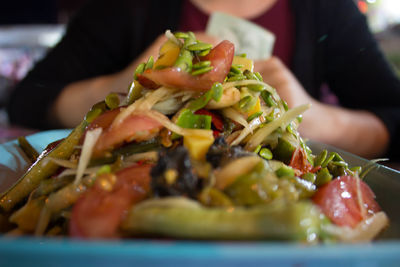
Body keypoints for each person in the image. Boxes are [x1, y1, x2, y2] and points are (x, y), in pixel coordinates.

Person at [7, 0, 400, 161]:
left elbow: (393, 118)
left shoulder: (327, 9)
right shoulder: (125, 6)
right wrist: (128, 83)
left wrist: (311, 120)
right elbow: (29, 99)